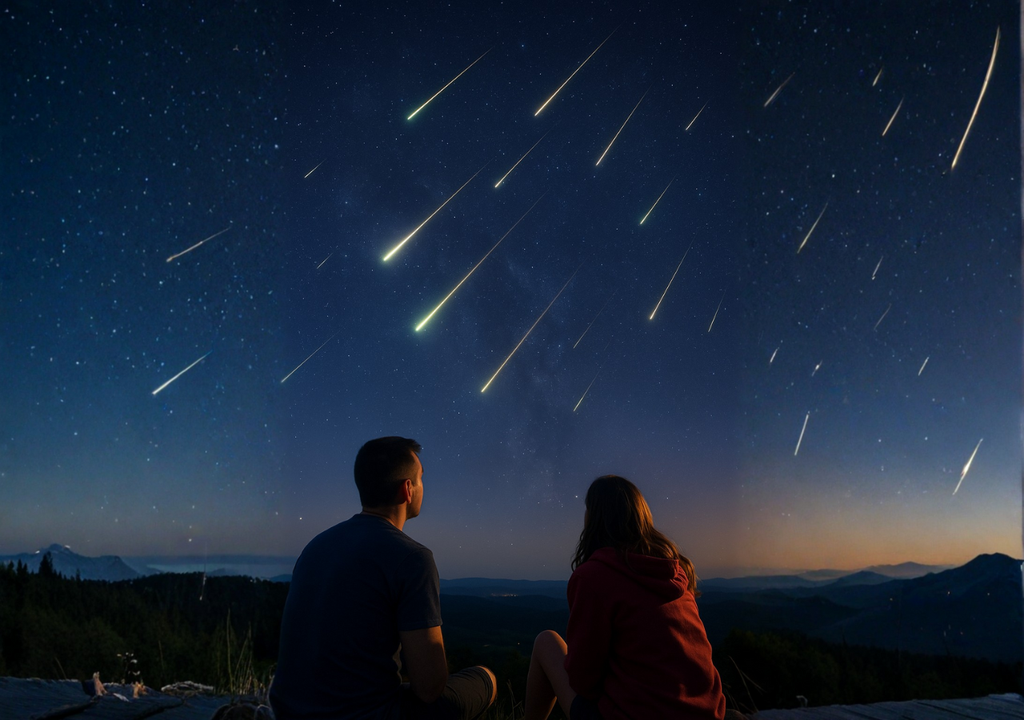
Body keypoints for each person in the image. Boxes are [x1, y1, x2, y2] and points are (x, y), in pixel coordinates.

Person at [269, 436, 496, 720]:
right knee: (485, 679)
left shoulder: (315, 547)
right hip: (371, 715)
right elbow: (430, 688)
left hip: (288, 711)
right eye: (421, 479)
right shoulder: (412, 558)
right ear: (407, 489)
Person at [523, 475, 727, 720]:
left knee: (546, 641)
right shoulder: (676, 571)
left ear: (594, 518)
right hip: (708, 713)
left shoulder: (593, 576)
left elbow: (583, 681)